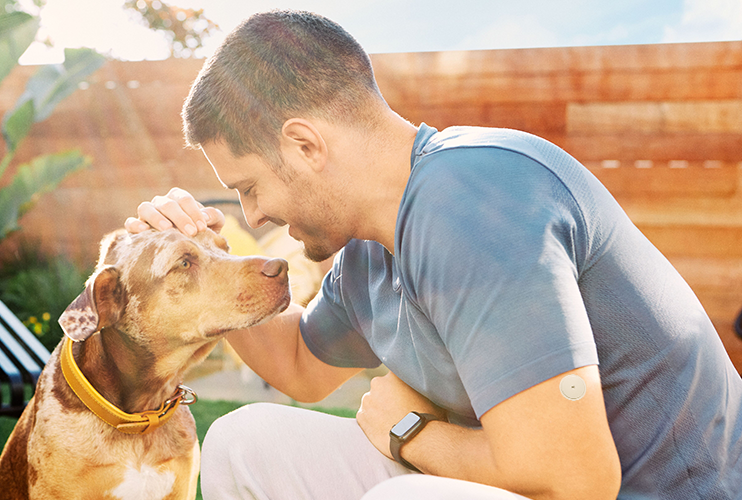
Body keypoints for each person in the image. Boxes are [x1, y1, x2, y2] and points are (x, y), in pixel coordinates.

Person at [124, 10, 742, 500]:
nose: (253, 217)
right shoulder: (368, 250)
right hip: (529, 483)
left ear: (305, 145)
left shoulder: (473, 201)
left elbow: (575, 482)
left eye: (249, 189)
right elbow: (298, 364)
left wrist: (409, 432)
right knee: (243, 441)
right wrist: (208, 261)